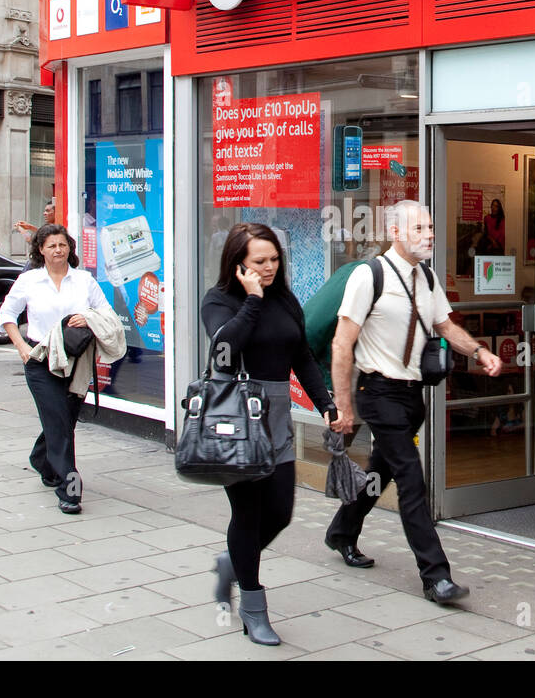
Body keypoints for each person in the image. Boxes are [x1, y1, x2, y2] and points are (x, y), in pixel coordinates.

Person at [325, 200, 502, 604]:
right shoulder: (368, 276)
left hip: (412, 395)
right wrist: (345, 407)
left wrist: (478, 352)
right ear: (395, 233)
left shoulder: (426, 276)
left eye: (430, 226)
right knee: (411, 480)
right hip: (378, 392)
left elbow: (444, 326)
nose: (429, 235)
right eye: (419, 228)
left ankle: (341, 531)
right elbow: (341, 344)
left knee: (381, 472)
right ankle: (435, 577)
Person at [200, 222, 342, 645]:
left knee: (280, 512)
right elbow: (224, 350)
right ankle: (252, 607)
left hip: (276, 417)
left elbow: (303, 357)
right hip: (236, 423)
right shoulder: (219, 300)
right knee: (246, 514)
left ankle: (233, 563)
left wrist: (326, 403)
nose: (268, 268)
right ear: (237, 263)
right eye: (258, 262)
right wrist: (254, 300)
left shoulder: (286, 299)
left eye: (274, 260)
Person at [0, 225, 113, 515]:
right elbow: (7, 315)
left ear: (69, 248)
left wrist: (87, 319)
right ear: (41, 250)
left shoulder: (84, 280)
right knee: (59, 423)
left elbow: (106, 314)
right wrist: (22, 348)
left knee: (64, 423)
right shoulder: (29, 280)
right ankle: (69, 489)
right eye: (51, 246)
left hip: (76, 361)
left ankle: (41, 458)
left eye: (62, 245)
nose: (58, 250)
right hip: (40, 360)